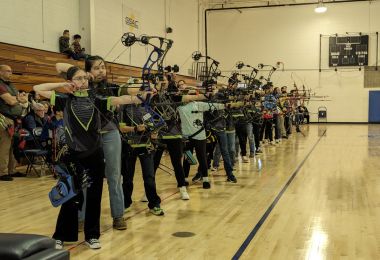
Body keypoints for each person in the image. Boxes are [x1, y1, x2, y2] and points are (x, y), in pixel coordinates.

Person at [34, 66, 146, 250]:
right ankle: (62, 235)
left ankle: (92, 235)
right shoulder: (64, 100)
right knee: (70, 195)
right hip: (72, 155)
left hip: (94, 153)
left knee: (94, 196)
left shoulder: (98, 100)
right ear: (71, 81)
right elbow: (38, 89)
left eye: (85, 78)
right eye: (78, 78)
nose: (83, 81)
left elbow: (123, 98)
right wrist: (62, 84)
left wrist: (143, 94)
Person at [56, 56, 128, 230]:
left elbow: (129, 93)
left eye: (103, 67)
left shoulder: (111, 87)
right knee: (85, 177)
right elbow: (58, 66)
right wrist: (82, 74)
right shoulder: (81, 84)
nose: (101, 71)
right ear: (88, 71)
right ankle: (81, 217)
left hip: (110, 133)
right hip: (86, 138)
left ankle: (118, 215)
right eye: (96, 68)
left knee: (114, 175)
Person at [0, 65, 29, 181]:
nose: (10, 73)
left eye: (11, 71)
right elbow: (11, 101)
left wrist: (16, 98)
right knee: (5, 146)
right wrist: (17, 98)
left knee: (12, 146)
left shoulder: (10, 85)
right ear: (0, 72)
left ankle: (11, 170)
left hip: (14, 119)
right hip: (4, 118)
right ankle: (2, 172)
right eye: (8, 71)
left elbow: (24, 98)